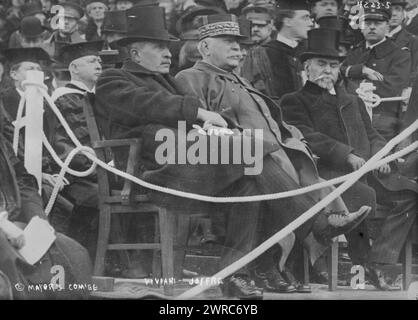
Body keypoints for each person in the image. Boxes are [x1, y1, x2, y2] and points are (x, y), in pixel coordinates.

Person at [96, 6, 370, 299]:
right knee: (251, 150)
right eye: (158, 47)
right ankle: (315, 221)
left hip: (188, 161)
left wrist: (216, 124)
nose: (167, 53)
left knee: (250, 182)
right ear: (135, 54)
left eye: (167, 47)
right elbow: (143, 103)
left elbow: (198, 119)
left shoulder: (170, 82)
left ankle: (234, 275)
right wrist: (199, 113)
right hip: (154, 169)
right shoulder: (113, 79)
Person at [280, 27, 418, 290]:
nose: (327, 70)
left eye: (333, 65)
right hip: (330, 176)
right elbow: (304, 134)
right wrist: (347, 154)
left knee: (410, 194)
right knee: (361, 194)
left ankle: (379, 261)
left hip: (369, 171)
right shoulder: (294, 100)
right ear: (306, 67)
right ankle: (366, 266)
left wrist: (383, 154)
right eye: (321, 64)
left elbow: (373, 134)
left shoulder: (351, 99)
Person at [0, 98, 93, 300]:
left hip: (15, 222)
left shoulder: (2, 143)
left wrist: (38, 219)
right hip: (3, 227)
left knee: (74, 253)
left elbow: (23, 180)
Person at [49, 41, 104, 257]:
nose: (99, 65)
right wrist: (100, 163)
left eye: (100, 61)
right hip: (77, 174)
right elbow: (69, 143)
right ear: (74, 68)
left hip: (101, 170)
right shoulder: (65, 97)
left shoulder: (97, 96)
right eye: (92, 61)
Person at [342, 5, 411, 140]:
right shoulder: (355, 52)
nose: (372, 27)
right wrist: (360, 70)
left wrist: (355, 82)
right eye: (367, 23)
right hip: (351, 117)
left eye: (378, 23)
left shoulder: (399, 54)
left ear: (387, 26)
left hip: (383, 120)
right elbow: (338, 75)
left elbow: (392, 88)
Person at [241, 0, 313, 99]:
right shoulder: (260, 55)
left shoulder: (310, 53)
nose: (310, 23)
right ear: (288, 21)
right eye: (305, 18)